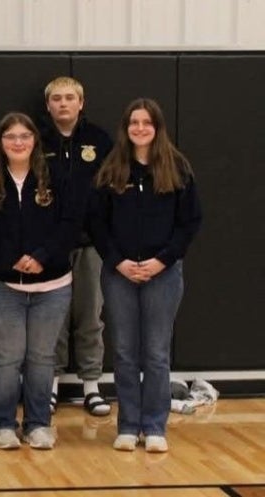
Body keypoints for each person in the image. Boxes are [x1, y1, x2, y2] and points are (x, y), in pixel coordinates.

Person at [90, 98, 201, 453]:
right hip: (119, 273)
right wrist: (118, 260)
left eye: (146, 122)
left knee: (155, 354)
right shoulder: (111, 170)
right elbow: (96, 224)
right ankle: (128, 425)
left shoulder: (178, 169)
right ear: (126, 128)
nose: (140, 128)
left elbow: (189, 223)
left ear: (157, 127)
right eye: (133, 122)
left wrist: (163, 260)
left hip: (163, 274)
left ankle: (154, 426)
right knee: (123, 352)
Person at [0, 112, 77, 451]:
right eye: (11, 136)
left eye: (24, 136)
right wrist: (10, 258)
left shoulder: (56, 177)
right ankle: (2, 424)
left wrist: (41, 256)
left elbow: (70, 224)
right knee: (6, 357)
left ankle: (38, 424)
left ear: (35, 141)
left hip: (52, 285)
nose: (18, 142)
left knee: (42, 357)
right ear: (0, 142)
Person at [40, 76, 114, 416]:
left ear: (80, 103)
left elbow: (114, 190)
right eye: (57, 99)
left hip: (90, 244)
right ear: (48, 105)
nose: (63, 104)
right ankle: (51, 385)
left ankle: (91, 386)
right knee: (53, 317)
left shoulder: (99, 140)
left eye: (70, 98)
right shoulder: (37, 141)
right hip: (51, 245)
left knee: (90, 315)